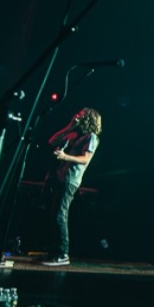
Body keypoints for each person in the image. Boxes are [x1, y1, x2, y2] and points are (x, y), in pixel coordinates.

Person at [43, 108, 102, 266]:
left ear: (89, 119)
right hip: (59, 178)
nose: (77, 115)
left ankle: (62, 254)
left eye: (81, 114)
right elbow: (52, 141)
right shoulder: (74, 134)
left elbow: (85, 159)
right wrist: (69, 127)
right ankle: (54, 251)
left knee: (60, 215)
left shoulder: (91, 137)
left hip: (71, 179)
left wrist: (64, 156)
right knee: (54, 214)